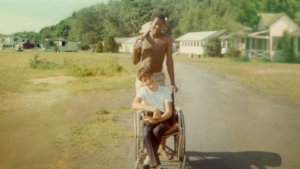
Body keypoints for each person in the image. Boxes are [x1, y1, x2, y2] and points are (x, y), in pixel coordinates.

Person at [132, 67, 173, 169]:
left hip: (163, 118)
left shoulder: (165, 90)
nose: (148, 81)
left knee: (159, 129)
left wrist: (158, 119)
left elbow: (169, 112)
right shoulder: (143, 91)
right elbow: (134, 105)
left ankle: (148, 159)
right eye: (144, 80)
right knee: (146, 132)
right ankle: (157, 165)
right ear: (142, 82)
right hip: (149, 116)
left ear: (153, 76)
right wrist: (153, 108)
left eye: (149, 77)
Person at [132, 12, 178, 93]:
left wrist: (172, 83)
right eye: (156, 23)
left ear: (164, 25)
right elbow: (135, 62)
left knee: (161, 105)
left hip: (158, 78)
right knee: (142, 105)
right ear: (151, 23)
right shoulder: (142, 38)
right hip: (143, 77)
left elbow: (169, 62)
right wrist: (136, 47)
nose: (157, 27)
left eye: (160, 24)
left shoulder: (167, 39)